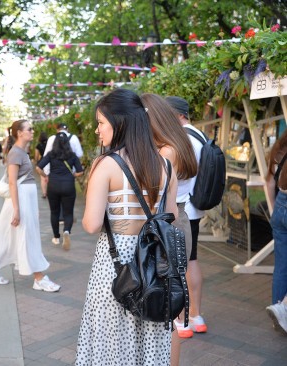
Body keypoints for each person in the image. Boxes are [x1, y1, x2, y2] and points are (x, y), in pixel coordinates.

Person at [76, 88, 178, 365]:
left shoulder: (106, 164)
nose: (98, 130)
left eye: (101, 123)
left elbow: (91, 223)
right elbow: (172, 216)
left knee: (112, 339)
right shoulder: (165, 165)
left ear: (119, 122)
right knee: (150, 335)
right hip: (155, 262)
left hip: (116, 264)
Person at [142, 93, 198, 365]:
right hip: (178, 218)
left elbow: (156, 196)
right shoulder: (176, 143)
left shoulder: (166, 151)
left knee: (167, 311)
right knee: (168, 307)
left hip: (170, 221)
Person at [0, 119, 60, 292]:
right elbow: (12, 182)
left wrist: (33, 208)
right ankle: (39, 278)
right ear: (20, 133)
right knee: (27, 237)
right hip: (20, 201)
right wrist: (17, 209)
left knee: (7, 235)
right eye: (29, 129)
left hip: (24, 201)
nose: (32, 131)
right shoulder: (16, 153)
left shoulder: (21, 152)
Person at [166, 96, 208, 338]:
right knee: (191, 260)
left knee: (179, 263)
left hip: (183, 207)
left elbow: (178, 177)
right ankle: (196, 316)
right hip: (196, 207)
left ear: (178, 114)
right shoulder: (200, 136)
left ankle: (181, 320)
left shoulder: (183, 140)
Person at [36, 132, 84, 250]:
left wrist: (45, 175)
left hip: (53, 185)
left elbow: (38, 167)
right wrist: (73, 175)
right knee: (68, 212)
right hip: (68, 185)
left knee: (54, 212)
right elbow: (80, 172)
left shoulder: (51, 154)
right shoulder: (72, 155)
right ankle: (66, 231)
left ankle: (56, 237)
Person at [265, 130, 287, 334]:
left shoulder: (278, 151)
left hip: (280, 206)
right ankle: (282, 310)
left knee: (281, 265)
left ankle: (278, 311)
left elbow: (270, 183)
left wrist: (274, 211)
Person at [34, 132, 48, 198]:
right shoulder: (49, 144)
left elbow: (36, 156)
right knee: (50, 176)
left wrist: (36, 162)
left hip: (42, 161)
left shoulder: (38, 146)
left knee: (42, 178)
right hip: (49, 161)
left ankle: (44, 193)